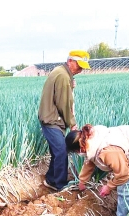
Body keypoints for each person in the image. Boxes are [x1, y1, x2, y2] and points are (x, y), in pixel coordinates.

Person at [38, 50, 91, 191]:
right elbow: (63, 104)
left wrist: (70, 85)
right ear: (70, 61)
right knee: (61, 152)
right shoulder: (62, 76)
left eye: (82, 67)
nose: (80, 70)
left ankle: (51, 179)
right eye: (78, 66)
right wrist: (72, 124)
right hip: (52, 120)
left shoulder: (62, 73)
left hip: (52, 118)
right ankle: (60, 185)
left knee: (58, 151)